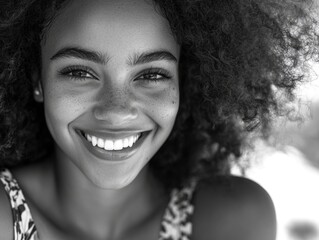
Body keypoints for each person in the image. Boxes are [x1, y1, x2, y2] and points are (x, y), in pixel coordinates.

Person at [0, 0, 316, 239]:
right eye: (79, 72)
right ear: (37, 79)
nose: (117, 110)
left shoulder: (231, 220)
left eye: (151, 75)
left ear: (184, 80)